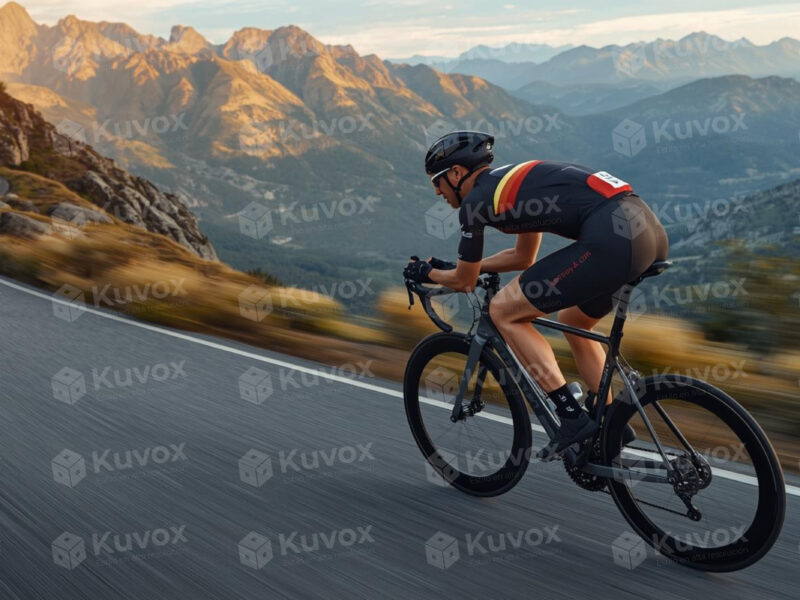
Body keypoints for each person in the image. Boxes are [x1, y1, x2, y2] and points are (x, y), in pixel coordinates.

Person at [404, 131, 668, 460]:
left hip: (612, 239)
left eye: (437, 180)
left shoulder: (475, 203)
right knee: (574, 320)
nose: (436, 190)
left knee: (503, 312)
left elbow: (464, 282)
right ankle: (610, 418)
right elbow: (522, 259)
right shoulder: (509, 186)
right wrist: (466, 267)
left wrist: (426, 273)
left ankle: (571, 417)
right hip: (646, 232)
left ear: (457, 173)